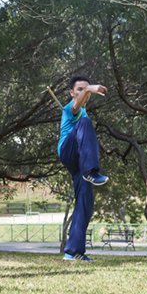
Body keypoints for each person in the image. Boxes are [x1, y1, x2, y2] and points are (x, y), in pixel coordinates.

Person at [58, 75, 108, 262]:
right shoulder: (69, 109)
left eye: (86, 89)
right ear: (72, 92)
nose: (84, 92)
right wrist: (88, 90)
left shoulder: (84, 112)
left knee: (85, 203)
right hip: (67, 152)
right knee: (85, 123)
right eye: (80, 89)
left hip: (79, 164)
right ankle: (91, 172)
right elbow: (76, 105)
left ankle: (73, 251)